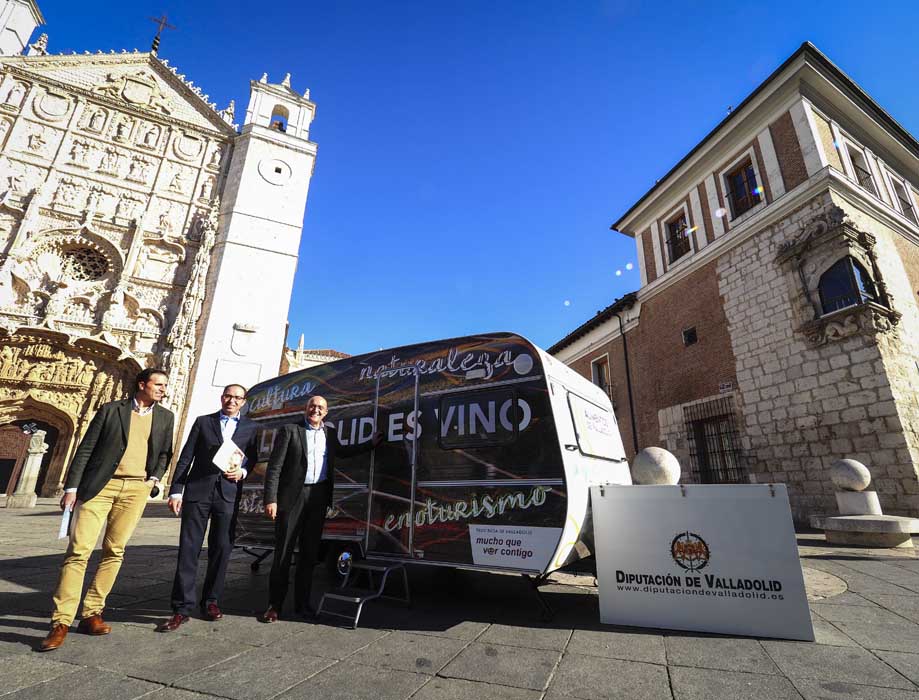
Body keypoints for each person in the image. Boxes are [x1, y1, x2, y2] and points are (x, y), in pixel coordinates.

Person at [40, 368, 174, 651]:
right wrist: (71, 488)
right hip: (100, 487)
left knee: (115, 551)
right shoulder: (112, 410)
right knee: (79, 551)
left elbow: (165, 453)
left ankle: (92, 613)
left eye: (165, 385)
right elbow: (86, 448)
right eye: (158, 384)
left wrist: (154, 477)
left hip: (136, 489)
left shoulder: (166, 417)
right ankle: (61, 621)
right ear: (142, 384)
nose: (163, 389)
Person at [261, 395, 381, 622]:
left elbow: (344, 452)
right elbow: (274, 467)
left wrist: (370, 444)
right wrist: (271, 499)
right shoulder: (290, 431)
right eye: (312, 406)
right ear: (306, 409)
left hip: (318, 498)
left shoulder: (330, 434)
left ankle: (302, 605)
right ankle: (274, 606)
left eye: (320, 408)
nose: (316, 410)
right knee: (283, 554)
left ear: (326, 413)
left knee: (309, 555)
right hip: (292, 498)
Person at [158, 384, 259, 631]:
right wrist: (176, 489)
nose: (232, 401)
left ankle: (211, 601)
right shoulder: (203, 422)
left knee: (222, 549)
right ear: (222, 397)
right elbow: (186, 456)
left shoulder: (251, 428)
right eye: (228, 396)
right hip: (197, 492)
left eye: (237, 398)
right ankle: (182, 608)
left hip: (228, 494)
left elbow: (253, 458)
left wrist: (243, 471)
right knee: (189, 549)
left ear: (244, 402)